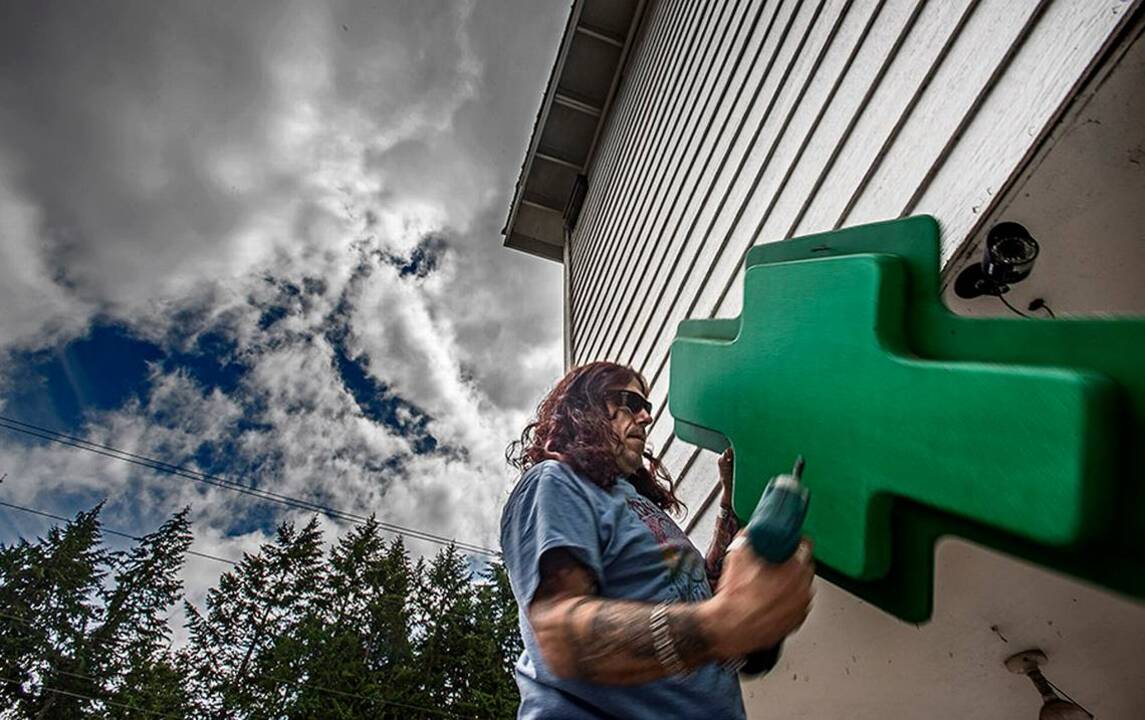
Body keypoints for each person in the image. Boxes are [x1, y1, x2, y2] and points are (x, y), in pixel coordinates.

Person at [500, 361, 815, 719]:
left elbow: (699, 591)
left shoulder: (638, 504)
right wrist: (722, 624)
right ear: (585, 405)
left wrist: (730, 503)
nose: (646, 418)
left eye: (647, 407)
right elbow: (558, 634)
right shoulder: (555, 481)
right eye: (631, 403)